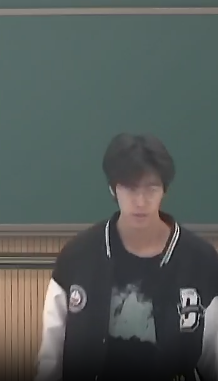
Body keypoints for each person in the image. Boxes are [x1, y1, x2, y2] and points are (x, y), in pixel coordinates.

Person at [34, 133, 218, 381]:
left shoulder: (201, 260)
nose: (140, 201)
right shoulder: (78, 256)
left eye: (151, 189)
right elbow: (51, 357)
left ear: (164, 190)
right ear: (113, 188)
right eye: (130, 188)